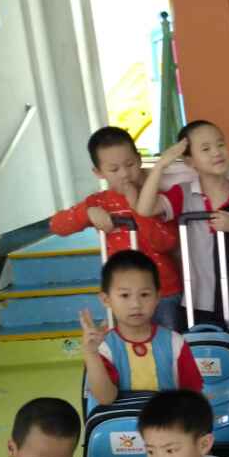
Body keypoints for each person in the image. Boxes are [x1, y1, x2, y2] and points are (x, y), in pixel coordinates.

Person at [135, 120, 229, 333]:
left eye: (220, 144)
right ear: (190, 161)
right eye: (205, 149)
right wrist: (161, 165)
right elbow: (144, 209)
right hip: (197, 298)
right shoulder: (183, 194)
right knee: (201, 349)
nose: (216, 152)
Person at [49, 127, 183, 330]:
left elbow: (166, 242)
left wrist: (138, 207)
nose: (124, 174)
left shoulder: (156, 198)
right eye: (114, 169)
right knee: (128, 347)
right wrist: (87, 213)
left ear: (139, 160)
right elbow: (56, 225)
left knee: (169, 344)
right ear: (98, 172)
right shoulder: (99, 202)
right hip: (122, 296)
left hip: (163, 291)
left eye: (130, 164)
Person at [80, 250, 202, 407]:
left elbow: (192, 397)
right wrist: (91, 353)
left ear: (158, 296)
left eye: (144, 295)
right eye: (125, 295)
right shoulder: (103, 347)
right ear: (106, 299)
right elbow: (106, 398)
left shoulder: (175, 343)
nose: (136, 304)